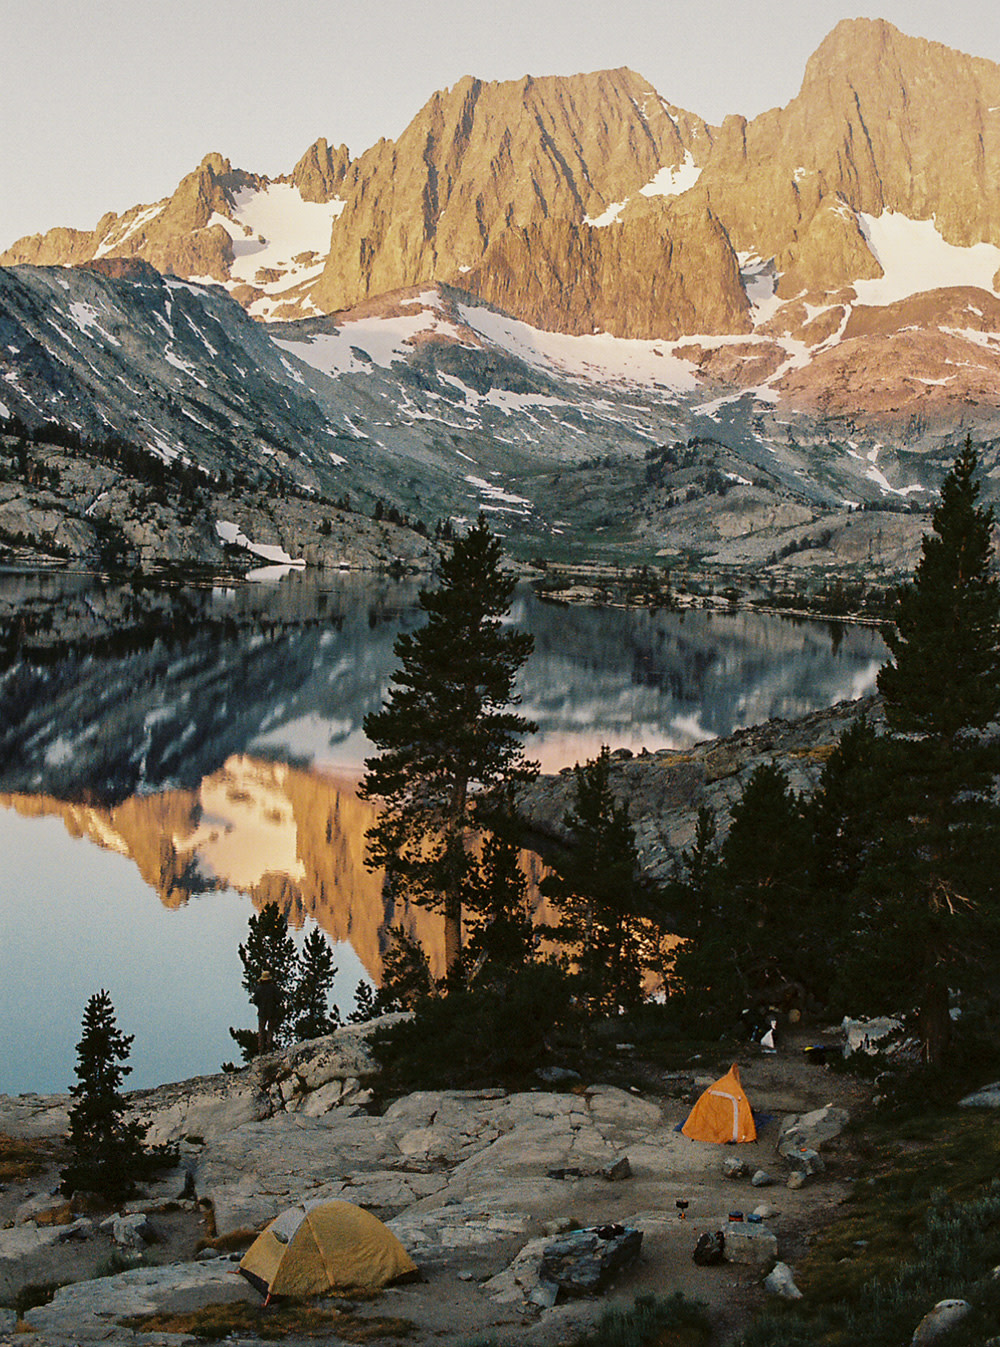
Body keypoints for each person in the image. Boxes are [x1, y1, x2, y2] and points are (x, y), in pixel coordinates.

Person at [253, 969, 281, 1054]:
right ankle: (269, 1047)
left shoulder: (258, 989)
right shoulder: (273, 988)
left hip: (262, 1012)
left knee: (261, 1030)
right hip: (272, 1012)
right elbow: (279, 999)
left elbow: (255, 1001)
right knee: (270, 1030)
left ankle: (261, 1049)